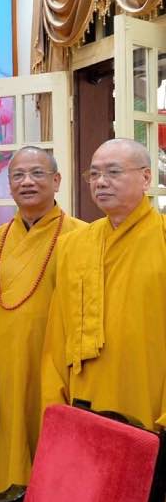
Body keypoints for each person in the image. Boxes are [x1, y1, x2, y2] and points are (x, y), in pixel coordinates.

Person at [0, 147, 84, 502]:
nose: (27, 182)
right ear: (8, 185)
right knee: (9, 459)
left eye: (37, 173)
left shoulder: (81, 235)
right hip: (4, 373)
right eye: (18, 175)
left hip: (58, 370)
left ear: (56, 181)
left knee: (57, 462)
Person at [43, 138, 166, 431]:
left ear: (146, 177)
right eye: (94, 174)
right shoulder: (73, 245)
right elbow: (57, 333)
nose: (101, 182)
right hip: (84, 399)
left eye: (113, 172)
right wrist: (54, 402)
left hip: (148, 398)